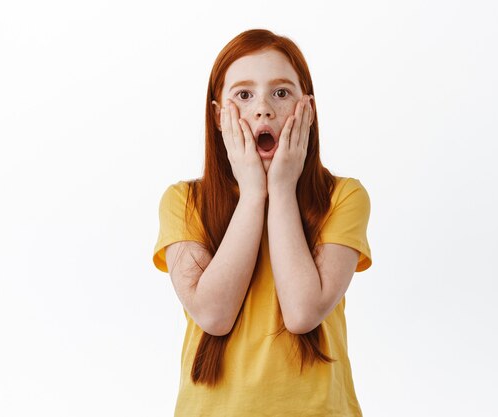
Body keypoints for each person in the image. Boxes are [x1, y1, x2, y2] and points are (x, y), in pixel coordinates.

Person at [152, 28, 373, 416]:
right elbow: (214, 315)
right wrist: (254, 194)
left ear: (308, 110)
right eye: (244, 94)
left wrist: (282, 191)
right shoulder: (184, 203)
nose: (263, 109)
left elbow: (303, 313)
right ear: (219, 116)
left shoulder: (344, 197)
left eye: (281, 93)